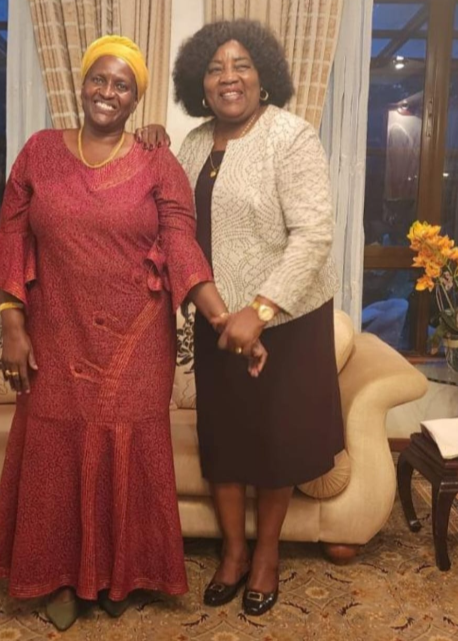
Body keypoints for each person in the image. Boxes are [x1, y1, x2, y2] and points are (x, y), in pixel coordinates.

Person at [0, 35, 266, 632]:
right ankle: (56, 577)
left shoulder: (159, 160)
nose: (108, 92)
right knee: (54, 456)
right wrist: (11, 322)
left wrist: (220, 315)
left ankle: (118, 575)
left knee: (127, 453)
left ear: (136, 99)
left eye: (122, 84)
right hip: (57, 334)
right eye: (98, 80)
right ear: (80, 85)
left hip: (135, 341)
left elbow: (182, 244)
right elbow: (11, 239)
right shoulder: (39, 152)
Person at [140, 20, 345, 617]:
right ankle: (232, 553)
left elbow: (314, 234)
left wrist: (261, 309)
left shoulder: (292, 136)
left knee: (273, 444)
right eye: (215, 68)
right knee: (225, 442)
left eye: (242, 66)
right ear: (198, 84)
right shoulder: (194, 143)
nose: (228, 77)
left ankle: (266, 556)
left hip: (284, 321)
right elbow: (167, 217)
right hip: (215, 320)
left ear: (264, 78)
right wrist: (147, 139)